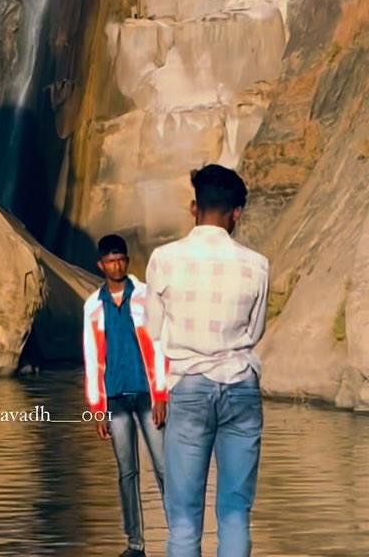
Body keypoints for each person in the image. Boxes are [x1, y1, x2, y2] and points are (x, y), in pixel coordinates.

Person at [146, 165, 269, 557]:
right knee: (235, 511)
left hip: (189, 390)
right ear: (237, 213)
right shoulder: (257, 264)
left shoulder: (164, 259)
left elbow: (153, 330)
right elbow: (255, 331)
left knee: (183, 517)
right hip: (240, 389)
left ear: (193, 207)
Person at [84, 234, 167, 557]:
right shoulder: (92, 306)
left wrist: (162, 394)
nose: (116, 265)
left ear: (127, 262)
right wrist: (96, 406)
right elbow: (91, 357)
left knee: (163, 468)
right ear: (101, 265)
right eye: (110, 260)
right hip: (115, 398)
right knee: (126, 472)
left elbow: (160, 346)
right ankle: (135, 545)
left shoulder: (146, 297)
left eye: (121, 259)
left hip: (148, 394)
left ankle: (181, 536)